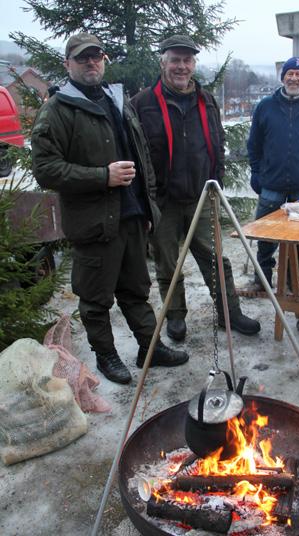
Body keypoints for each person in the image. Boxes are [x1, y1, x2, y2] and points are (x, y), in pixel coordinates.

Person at [31, 33, 189, 385]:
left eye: (96, 57)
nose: (91, 63)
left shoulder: (117, 100)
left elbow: (142, 156)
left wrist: (149, 209)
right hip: (93, 223)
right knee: (95, 299)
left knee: (136, 290)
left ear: (103, 60)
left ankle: (151, 348)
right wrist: (102, 176)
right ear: (67, 64)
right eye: (83, 58)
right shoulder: (57, 110)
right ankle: (107, 357)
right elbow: (44, 170)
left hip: (132, 217)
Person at [131, 35, 261, 342]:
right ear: (162, 62)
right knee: (167, 263)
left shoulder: (207, 100)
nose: (181, 66)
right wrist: (145, 201)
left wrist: (217, 182)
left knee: (215, 258)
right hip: (162, 201)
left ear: (193, 64)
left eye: (187, 60)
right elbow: (136, 154)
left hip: (202, 197)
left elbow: (217, 143)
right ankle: (175, 317)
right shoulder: (142, 104)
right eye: (175, 60)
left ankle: (229, 312)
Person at [246, 56, 299, 335]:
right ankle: (263, 277)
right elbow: (254, 144)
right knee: (265, 236)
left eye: (298, 74)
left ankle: (291, 280)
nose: (293, 78)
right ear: (282, 78)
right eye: (289, 74)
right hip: (271, 184)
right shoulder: (266, 107)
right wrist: (257, 173)